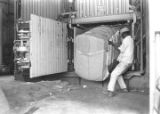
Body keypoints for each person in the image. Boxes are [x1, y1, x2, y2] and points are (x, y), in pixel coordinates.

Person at [105, 27, 134, 97]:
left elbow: (120, 49)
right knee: (118, 74)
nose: (121, 36)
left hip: (125, 62)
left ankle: (110, 91)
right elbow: (122, 50)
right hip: (127, 61)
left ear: (124, 34)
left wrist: (112, 44)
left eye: (121, 35)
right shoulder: (130, 39)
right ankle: (124, 88)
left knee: (113, 74)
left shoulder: (126, 40)